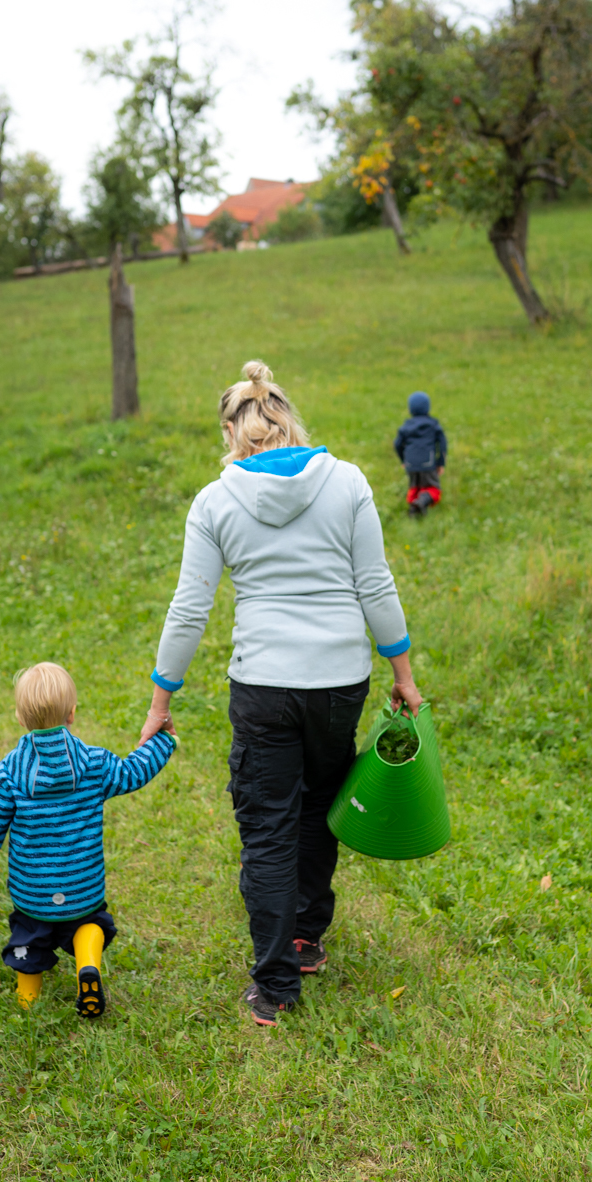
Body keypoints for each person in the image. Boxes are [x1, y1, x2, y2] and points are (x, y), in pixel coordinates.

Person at [142, 361, 421, 1027]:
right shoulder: (346, 481)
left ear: (233, 433)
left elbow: (189, 610)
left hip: (263, 685)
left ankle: (274, 987)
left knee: (267, 825)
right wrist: (403, 674)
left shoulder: (215, 501)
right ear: (286, 418)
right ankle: (304, 939)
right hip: (338, 683)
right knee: (318, 804)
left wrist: (162, 699)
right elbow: (375, 584)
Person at [0, 662, 176, 1017]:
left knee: (29, 936)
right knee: (89, 924)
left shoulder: (7, 773)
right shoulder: (95, 763)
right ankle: (88, 965)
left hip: (33, 891)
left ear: (19, 717)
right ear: (72, 714)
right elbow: (134, 772)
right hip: (83, 887)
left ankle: (28, 1002)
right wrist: (164, 741)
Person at [394, 391, 447, 516]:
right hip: (427, 462)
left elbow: (397, 444)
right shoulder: (433, 425)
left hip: (410, 463)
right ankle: (422, 501)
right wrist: (440, 462)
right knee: (433, 488)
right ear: (427, 407)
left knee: (414, 486)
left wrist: (404, 460)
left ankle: (413, 509)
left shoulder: (406, 426)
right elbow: (443, 443)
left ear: (410, 409)